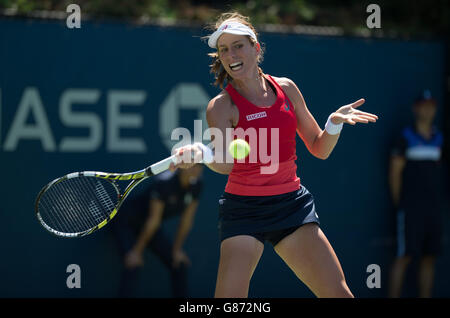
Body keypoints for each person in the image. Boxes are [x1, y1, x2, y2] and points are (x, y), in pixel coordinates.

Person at [170, 12, 378, 298]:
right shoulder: (221, 106)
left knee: (338, 294)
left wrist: (333, 124)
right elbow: (226, 162)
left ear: (256, 48)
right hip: (244, 210)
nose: (231, 55)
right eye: (223, 49)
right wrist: (203, 153)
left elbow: (320, 148)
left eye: (238, 46)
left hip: (291, 205)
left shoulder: (287, 89)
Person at [110, 164, 204, 297]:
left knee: (178, 264)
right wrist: (137, 252)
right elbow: (153, 220)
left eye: (200, 166)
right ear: (182, 166)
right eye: (193, 165)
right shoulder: (164, 182)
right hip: (126, 221)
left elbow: (187, 220)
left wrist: (176, 250)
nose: (197, 169)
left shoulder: (197, 185)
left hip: (150, 226)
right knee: (133, 264)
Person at [388, 90, 445, 298]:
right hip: (411, 209)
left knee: (429, 257)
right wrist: (401, 204)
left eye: (431, 105)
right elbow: (395, 173)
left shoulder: (439, 138)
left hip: (434, 210)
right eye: (423, 105)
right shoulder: (405, 138)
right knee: (404, 257)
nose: (428, 110)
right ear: (416, 108)